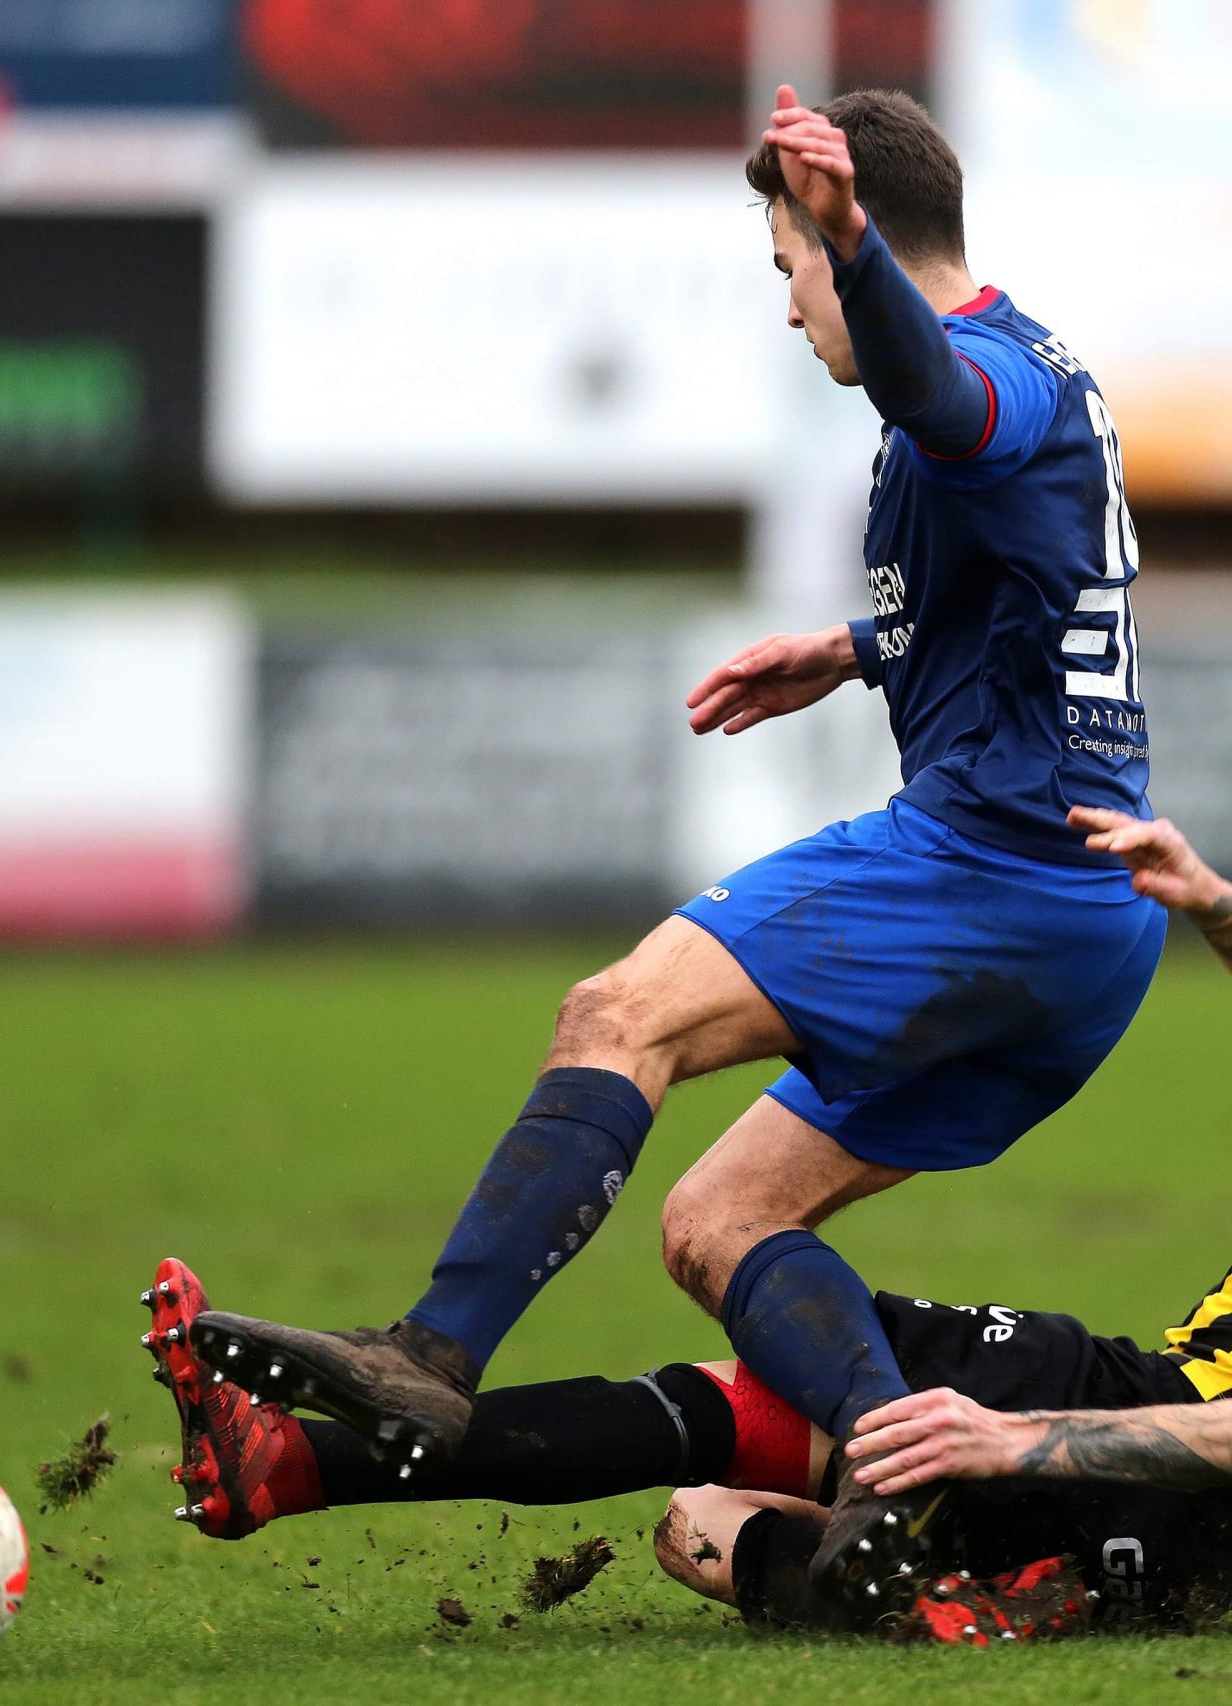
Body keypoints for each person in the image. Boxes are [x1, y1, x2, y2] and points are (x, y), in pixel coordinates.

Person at [184, 85, 1164, 1600]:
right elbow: (1035, 587)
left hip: (985, 874)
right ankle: (915, 1475)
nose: (791, 310)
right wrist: (857, 647)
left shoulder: (977, 374)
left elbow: (942, 404)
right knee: (719, 1220)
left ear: (861, 245)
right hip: (1088, 930)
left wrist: (848, 252)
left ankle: (433, 1351)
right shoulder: (1055, 369)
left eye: (789, 270)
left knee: (617, 1011)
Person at [149, 811, 1232, 1638]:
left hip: (1193, 1493)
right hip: (1156, 1387)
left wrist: (1004, 1444)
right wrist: (1203, 895)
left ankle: (916, 1559)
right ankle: (292, 1465)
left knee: (716, 1482)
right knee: (743, 1397)